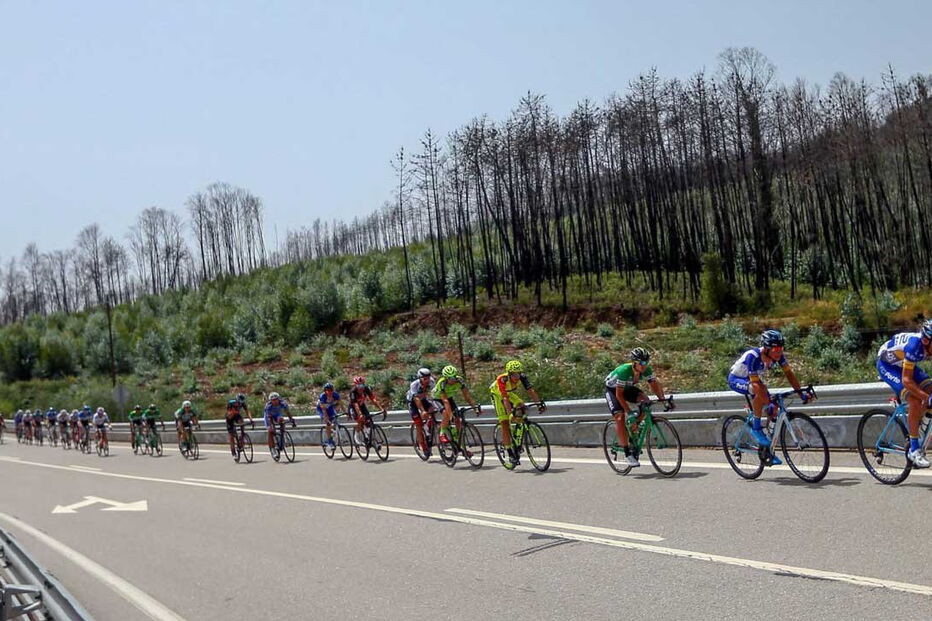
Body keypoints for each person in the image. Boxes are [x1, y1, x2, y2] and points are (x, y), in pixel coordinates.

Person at [727, 329, 809, 463]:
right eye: (775, 348)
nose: (779, 351)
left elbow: (790, 375)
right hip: (737, 379)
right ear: (766, 348)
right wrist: (766, 401)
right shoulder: (753, 356)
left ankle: (767, 449)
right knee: (759, 391)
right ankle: (756, 429)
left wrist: (801, 394)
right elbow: (757, 387)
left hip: (752, 380)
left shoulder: (778, 356)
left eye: (781, 347)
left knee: (773, 408)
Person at [877, 320, 932, 467]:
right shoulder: (915, 346)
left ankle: (921, 428)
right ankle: (914, 449)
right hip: (887, 364)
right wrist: (926, 398)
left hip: (903, 362)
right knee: (915, 399)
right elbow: (907, 380)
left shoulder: (926, 344)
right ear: (926, 340)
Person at [604, 348, 670, 467]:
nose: (645, 365)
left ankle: (634, 427)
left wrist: (662, 399)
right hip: (613, 391)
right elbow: (619, 395)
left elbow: (654, 385)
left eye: (647, 362)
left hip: (628, 388)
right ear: (634, 362)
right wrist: (628, 412)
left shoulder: (646, 369)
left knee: (646, 402)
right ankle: (627, 453)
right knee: (619, 417)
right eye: (642, 363)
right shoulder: (624, 371)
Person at [490, 360, 545, 466]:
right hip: (497, 395)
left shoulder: (522, 377)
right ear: (509, 374)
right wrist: (509, 412)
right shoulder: (503, 379)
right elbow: (505, 398)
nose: (517, 376)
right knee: (505, 422)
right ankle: (510, 452)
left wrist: (539, 404)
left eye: (519, 373)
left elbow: (530, 391)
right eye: (515, 374)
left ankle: (517, 438)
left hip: (508, 393)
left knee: (521, 406)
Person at [433, 366, 481, 444]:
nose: (453, 380)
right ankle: (442, 433)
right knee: (446, 414)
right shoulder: (442, 383)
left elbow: (467, 396)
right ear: (445, 378)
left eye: (454, 377)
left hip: (449, 397)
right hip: (437, 399)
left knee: (457, 418)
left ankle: (459, 442)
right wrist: (450, 415)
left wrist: (474, 408)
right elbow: (445, 401)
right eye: (450, 378)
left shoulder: (460, 381)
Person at [406, 368, 437, 457]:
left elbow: (434, 394)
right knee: (418, 424)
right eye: (424, 378)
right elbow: (416, 399)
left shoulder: (431, 382)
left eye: (428, 377)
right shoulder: (414, 385)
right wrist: (423, 411)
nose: (427, 380)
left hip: (423, 399)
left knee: (432, 409)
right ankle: (423, 446)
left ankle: (428, 427)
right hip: (412, 402)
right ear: (420, 378)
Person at [348, 376, 388, 445]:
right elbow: (355, 405)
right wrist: (360, 414)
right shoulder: (353, 392)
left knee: (369, 421)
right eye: (358, 385)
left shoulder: (366, 389)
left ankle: (368, 437)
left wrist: (381, 408)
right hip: (354, 407)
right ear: (355, 385)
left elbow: (373, 399)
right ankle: (356, 435)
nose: (361, 387)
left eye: (362, 385)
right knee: (360, 421)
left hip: (362, 405)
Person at [316, 383, 342, 449]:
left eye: (331, 390)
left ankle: (333, 432)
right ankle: (329, 441)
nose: (329, 392)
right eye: (328, 390)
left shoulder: (335, 395)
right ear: (325, 391)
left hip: (329, 407)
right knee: (328, 424)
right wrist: (326, 418)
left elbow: (340, 403)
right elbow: (323, 409)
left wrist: (345, 412)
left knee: (335, 420)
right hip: (321, 409)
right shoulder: (322, 396)